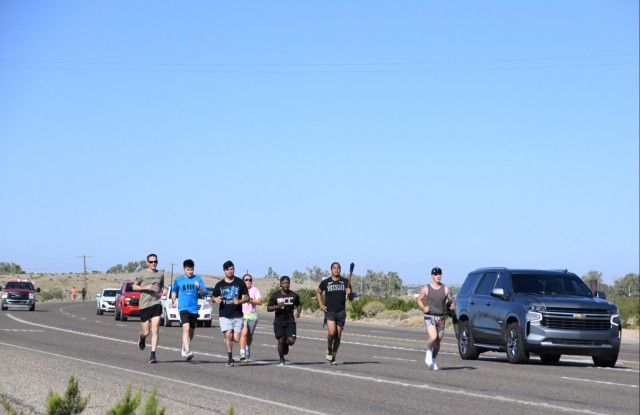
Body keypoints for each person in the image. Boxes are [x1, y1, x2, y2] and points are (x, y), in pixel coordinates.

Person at [416, 266, 456, 371]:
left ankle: (433, 360)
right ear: (432, 276)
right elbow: (419, 299)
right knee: (433, 337)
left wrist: (453, 305)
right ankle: (428, 351)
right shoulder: (426, 288)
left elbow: (452, 299)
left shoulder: (446, 289)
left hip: (441, 317)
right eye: (436, 274)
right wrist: (423, 307)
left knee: (438, 343)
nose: (438, 276)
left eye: (440, 274)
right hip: (430, 316)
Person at [212, 260, 249, 367]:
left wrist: (240, 301)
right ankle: (230, 358)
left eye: (231, 269)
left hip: (237, 315)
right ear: (224, 271)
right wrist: (216, 299)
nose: (230, 271)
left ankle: (229, 339)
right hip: (224, 314)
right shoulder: (219, 284)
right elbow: (213, 297)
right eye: (227, 269)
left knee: (236, 339)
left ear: (234, 269)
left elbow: (247, 297)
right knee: (228, 334)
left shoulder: (240, 282)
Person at [171, 259, 208, 362]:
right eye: (188, 269)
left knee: (191, 332)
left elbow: (204, 293)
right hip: (183, 308)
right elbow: (174, 291)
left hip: (194, 309)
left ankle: (184, 345)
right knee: (186, 328)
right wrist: (173, 300)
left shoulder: (198, 279)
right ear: (184, 269)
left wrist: (199, 287)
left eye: (191, 270)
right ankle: (187, 351)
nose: (190, 272)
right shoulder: (179, 280)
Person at [316, 262, 352, 365]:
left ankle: (333, 357)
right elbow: (318, 292)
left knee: (338, 335)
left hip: (341, 311)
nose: (336, 270)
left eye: (338, 268)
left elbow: (351, 298)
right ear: (331, 269)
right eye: (334, 268)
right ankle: (329, 348)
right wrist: (321, 304)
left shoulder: (346, 282)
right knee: (332, 333)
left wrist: (349, 294)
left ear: (340, 269)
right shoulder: (326, 282)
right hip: (330, 311)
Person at [132, 253, 165, 364]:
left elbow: (162, 286)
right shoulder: (142, 273)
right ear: (147, 263)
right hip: (145, 305)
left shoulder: (160, 274)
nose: (153, 263)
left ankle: (153, 354)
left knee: (155, 329)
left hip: (156, 303)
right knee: (146, 332)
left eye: (155, 261)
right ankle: (142, 338)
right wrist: (144, 287)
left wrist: (164, 289)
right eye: (151, 262)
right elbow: (134, 286)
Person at [267, 276, 301, 365]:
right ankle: (281, 358)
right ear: (281, 284)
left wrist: (298, 312)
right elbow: (268, 308)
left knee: (291, 341)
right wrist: (276, 306)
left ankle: (286, 345)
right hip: (279, 321)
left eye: (287, 283)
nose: (286, 285)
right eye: (284, 283)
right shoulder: (276, 295)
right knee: (281, 340)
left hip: (290, 321)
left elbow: (299, 304)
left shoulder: (294, 295)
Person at [239, 273, 262, 361]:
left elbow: (260, 301)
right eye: (246, 280)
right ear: (243, 280)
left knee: (249, 335)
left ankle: (248, 347)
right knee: (244, 333)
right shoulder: (239, 290)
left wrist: (251, 300)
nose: (248, 281)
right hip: (242, 315)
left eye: (250, 280)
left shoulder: (255, 290)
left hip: (252, 316)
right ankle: (242, 352)